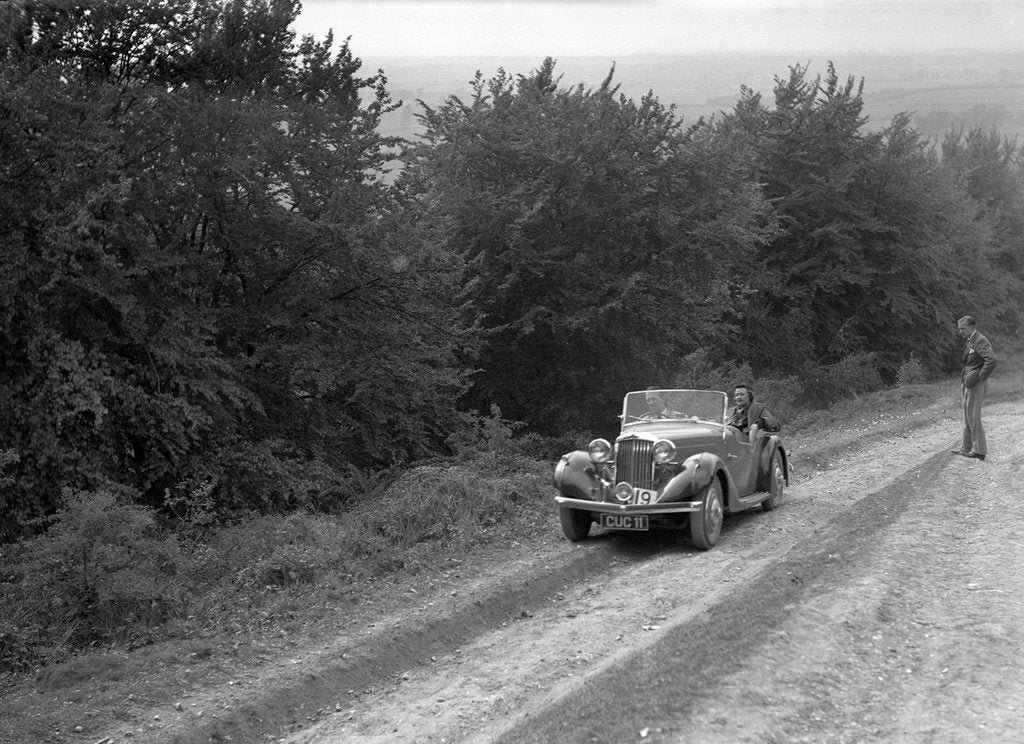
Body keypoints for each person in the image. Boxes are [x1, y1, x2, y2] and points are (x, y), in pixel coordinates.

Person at [952, 315, 996, 461]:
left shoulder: (980, 340)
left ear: (971, 327)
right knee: (967, 416)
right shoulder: (971, 340)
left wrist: (980, 377)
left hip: (975, 384)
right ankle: (966, 447)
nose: (960, 332)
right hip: (968, 382)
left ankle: (979, 451)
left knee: (973, 416)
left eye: (963, 329)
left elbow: (991, 360)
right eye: (959, 329)